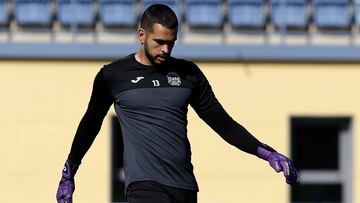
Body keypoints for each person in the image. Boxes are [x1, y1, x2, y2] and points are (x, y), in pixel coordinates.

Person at [56, 4, 299, 203]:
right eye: (159, 42)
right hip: (144, 188)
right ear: (142, 35)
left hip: (185, 187)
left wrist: (266, 152)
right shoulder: (113, 75)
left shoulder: (189, 74)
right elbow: (90, 123)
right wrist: (70, 171)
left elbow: (222, 123)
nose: (165, 49)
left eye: (171, 42)